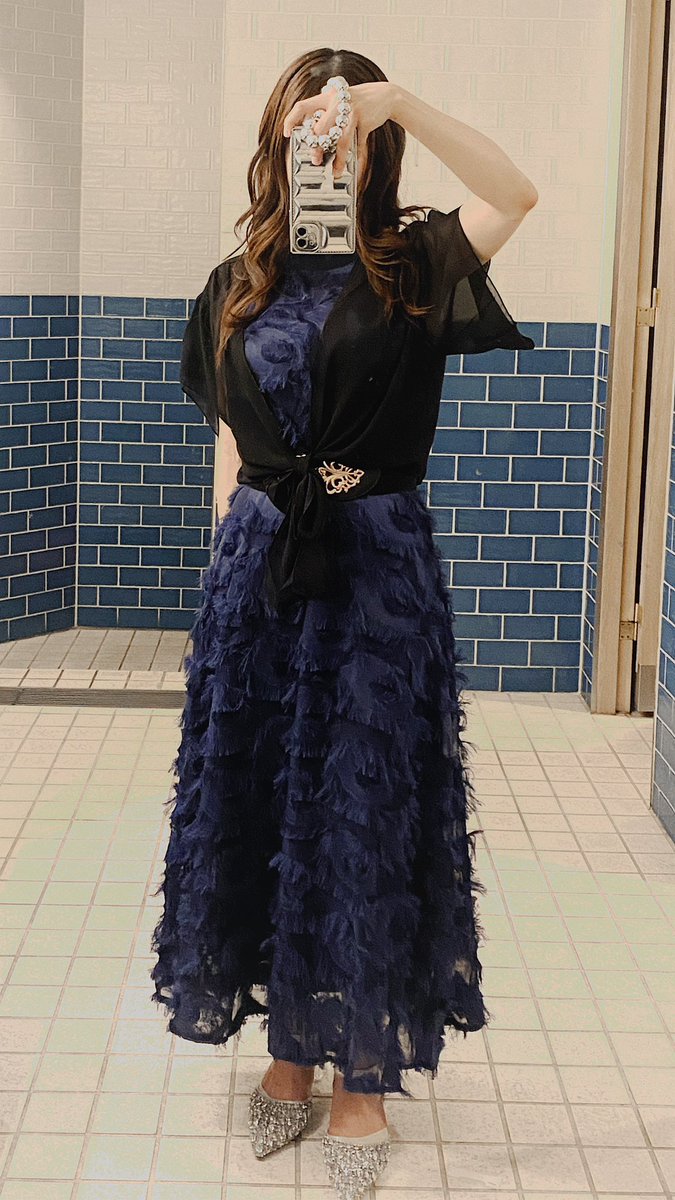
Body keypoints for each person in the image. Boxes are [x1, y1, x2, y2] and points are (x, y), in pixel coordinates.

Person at [150, 47, 537, 1200]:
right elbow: (234, 441)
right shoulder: (236, 281)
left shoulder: (417, 264)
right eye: (300, 125)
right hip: (261, 575)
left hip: (374, 573)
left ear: (373, 146)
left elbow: (517, 192)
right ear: (274, 140)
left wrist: (400, 100)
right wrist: (223, 581)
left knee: (360, 812)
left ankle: (360, 1070)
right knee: (265, 803)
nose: (318, 144)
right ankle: (288, 1051)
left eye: (342, 128)